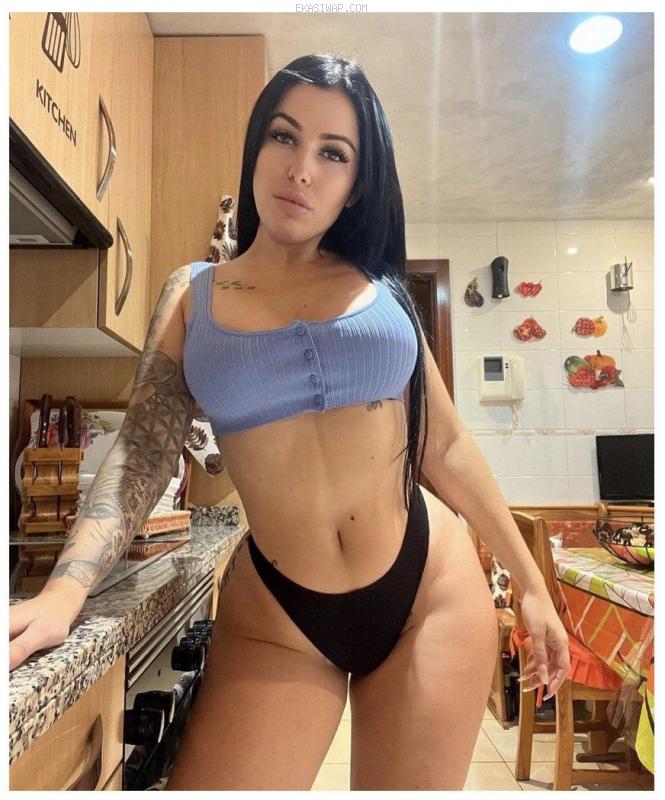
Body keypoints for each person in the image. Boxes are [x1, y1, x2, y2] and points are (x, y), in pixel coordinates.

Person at [9, 53, 571, 790]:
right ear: (256, 148)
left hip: (427, 592)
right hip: (280, 613)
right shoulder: (195, 297)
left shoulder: (384, 293)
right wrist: (64, 592)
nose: (301, 169)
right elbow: (139, 455)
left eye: (332, 153)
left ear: (356, 183)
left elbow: (446, 444)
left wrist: (531, 583)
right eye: (283, 136)